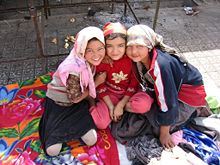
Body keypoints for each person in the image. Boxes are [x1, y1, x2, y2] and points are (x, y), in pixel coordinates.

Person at [126, 24, 212, 149]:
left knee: (157, 129)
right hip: (172, 91)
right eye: (130, 47)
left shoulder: (160, 66)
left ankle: (195, 110)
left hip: (187, 97)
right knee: (150, 113)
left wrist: (164, 134)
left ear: (149, 46)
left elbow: (168, 101)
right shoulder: (141, 60)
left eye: (139, 46)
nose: (134, 52)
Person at [39, 26, 106, 156]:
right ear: (81, 50)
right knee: (53, 151)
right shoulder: (74, 70)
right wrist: (97, 82)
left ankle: (76, 129)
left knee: (92, 139)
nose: (96, 55)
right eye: (89, 50)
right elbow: (75, 98)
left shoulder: (88, 60)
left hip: (77, 105)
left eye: (100, 49)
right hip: (60, 104)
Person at [90, 22, 153, 129]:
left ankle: (119, 110)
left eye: (120, 46)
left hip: (129, 95)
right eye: (109, 46)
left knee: (144, 105)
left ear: (126, 44)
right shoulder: (102, 60)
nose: (115, 52)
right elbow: (100, 85)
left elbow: (134, 84)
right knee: (100, 123)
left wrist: (121, 105)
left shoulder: (131, 59)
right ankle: (109, 109)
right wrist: (110, 106)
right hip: (109, 95)